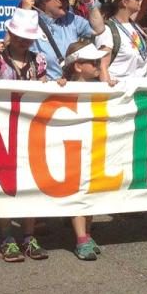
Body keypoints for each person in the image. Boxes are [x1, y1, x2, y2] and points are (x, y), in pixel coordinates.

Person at [0, 8, 50, 262]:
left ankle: (28, 235)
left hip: (30, 127)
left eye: (28, 36)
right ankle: (7, 237)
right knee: (6, 182)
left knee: (29, 182)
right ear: (10, 33)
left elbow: (44, 90)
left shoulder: (40, 60)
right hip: (2, 126)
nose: (24, 41)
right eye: (20, 35)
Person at [58, 39, 110, 260]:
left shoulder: (101, 87)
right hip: (72, 147)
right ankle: (80, 238)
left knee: (91, 190)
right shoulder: (63, 87)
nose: (99, 64)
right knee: (78, 190)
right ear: (78, 66)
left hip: (95, 144)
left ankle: (87, 234)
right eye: (93, 61)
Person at [26, 0, 104, 81]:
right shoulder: (29, 21)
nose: (66, 2)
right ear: (44, 0)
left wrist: (89, 2)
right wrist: (24, 13)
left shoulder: (71, 19)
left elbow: (98, 29)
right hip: (44, 91)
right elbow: (11, 44)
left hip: (70, 88)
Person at [95, 0, 147, 80]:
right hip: (120, 92)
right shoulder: (107, 31)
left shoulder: (135, 26)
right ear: (124, 2)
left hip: (140, 92)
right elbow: (102, 67)